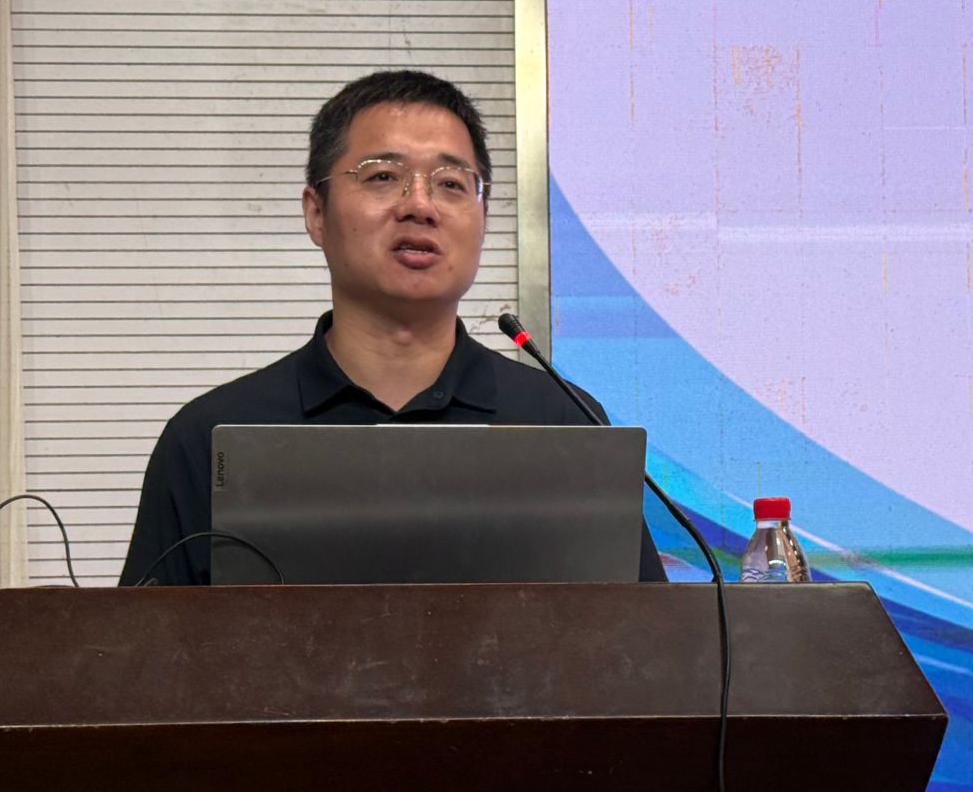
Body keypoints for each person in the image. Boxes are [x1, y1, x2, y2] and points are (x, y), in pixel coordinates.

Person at [120, 69, 667, 586]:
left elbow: (645, 638)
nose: (420, 205)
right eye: (383, 176)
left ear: (483, 219)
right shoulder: (210, 436)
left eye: (451, 183)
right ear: (316, 213)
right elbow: (144, 646)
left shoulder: (566, 426)